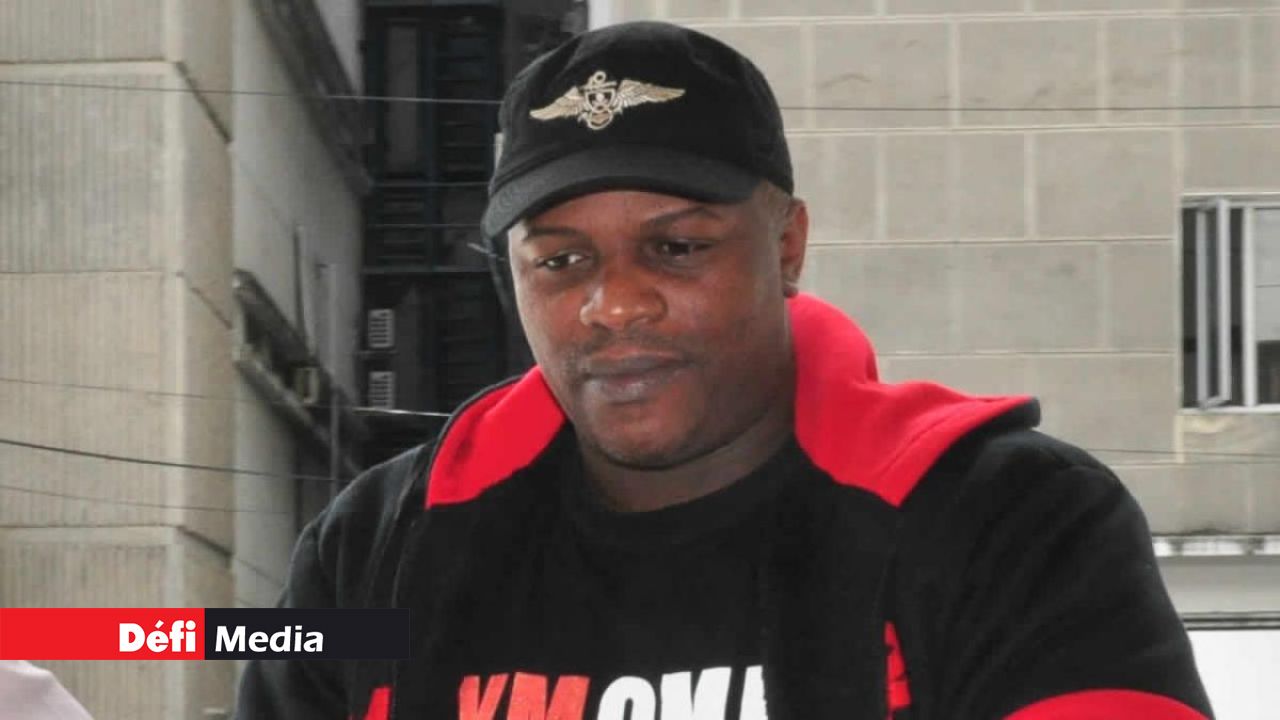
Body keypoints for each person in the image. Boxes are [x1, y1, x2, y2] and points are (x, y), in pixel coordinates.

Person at [237, 21, 1212, 720]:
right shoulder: (377, 552)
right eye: (560, 260)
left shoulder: (1010, 523)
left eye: (676, 248)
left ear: (785, 247)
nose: (614, 304)